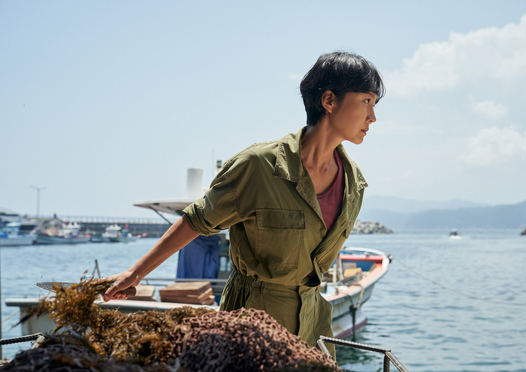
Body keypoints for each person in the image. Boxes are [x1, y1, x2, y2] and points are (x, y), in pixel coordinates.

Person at [103, 51, 385, 357]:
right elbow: (197, 220)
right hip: (250, 325)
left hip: (314, 327)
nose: (373, 117)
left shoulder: (354, 183)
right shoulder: (258, 165)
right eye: (366, 101)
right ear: (329, 101)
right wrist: (134, 274)